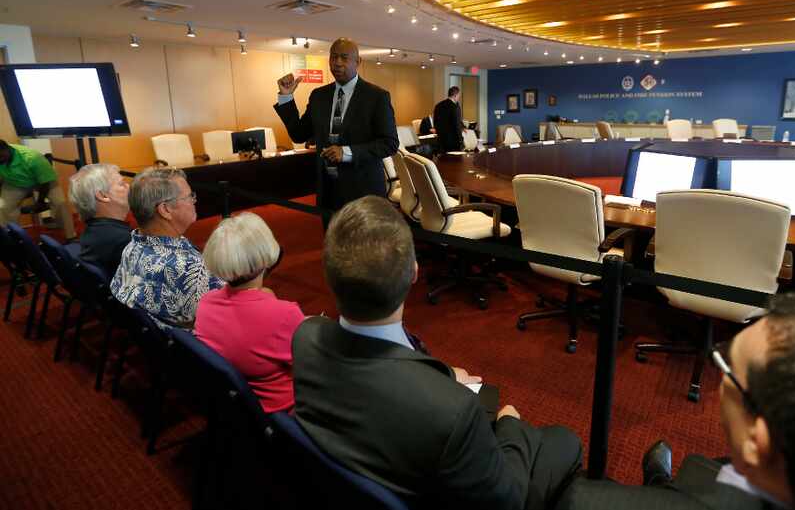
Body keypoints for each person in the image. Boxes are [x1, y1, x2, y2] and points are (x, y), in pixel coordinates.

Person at [293, 196, 582, 510]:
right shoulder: (454, 411)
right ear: (415, 273)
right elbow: (507, 499)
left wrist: (441, 378)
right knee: (564, 441)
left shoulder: (305, 338)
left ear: (329, 275)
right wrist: (510, 425)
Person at [557, 292, 795, 510]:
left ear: (758, 442)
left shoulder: (583, 502)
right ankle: (662, 483)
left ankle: (661, 485)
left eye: (727, 364)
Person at [273, 38, 398, 222]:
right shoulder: (318, 96)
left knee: (365, 248)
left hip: (363, 193)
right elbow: (299, 134)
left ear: (358, 62)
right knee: (333, 247)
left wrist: (347, 152)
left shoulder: (376, 97)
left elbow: (390, 143)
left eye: (344, 58)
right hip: (329, 191)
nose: (337, 63)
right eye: (333, 57)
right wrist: (286, 97)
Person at [194, 212, 304, 414]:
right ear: (266, 254)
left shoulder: (206, 304)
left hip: (235, 407)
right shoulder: (286, 314)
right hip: (283, 412)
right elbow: (311, 367)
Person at [110, 167, 224, 328]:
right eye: (189, 196)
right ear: (165, 210)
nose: (194, 201)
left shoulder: (132, 246)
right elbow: (229, 319)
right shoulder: (188, 268)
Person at [0, 139, 76, 239]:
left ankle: (70, 236)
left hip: (42, 182)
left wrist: (40, 202)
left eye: (1, 157)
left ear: (7, 149)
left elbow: (45, 182)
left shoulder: (32, 157)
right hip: (15, 182)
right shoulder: (2, 158)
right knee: (2, 207)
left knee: (59, 202)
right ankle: (10, 237)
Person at [68, 163, 131, 279]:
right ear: (102, 195)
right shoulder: (123, 239)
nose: (129, 187)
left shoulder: (94, 230)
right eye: (122, 184)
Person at [433, 86, 465, 153]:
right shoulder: (455, 107)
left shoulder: (438, 105)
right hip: (454, 142)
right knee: (455, 162)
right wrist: (461, 141)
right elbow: (456, 125)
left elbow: (435, 122)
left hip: (441, 141)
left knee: (443, 162)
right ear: (455, 95)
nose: (459, 98)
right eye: (459, 95)